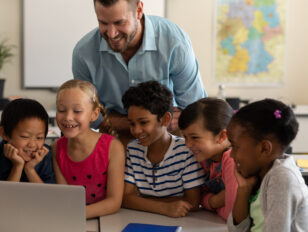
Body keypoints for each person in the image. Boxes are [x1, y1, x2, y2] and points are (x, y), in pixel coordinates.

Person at [72, 0, 207, 142]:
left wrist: (112, 120)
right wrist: (152, 121)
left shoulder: (174, 42)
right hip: (117, 140)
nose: (111, 34)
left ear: (139, 10)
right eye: (103, 23)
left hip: (168, 139)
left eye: (119, 23)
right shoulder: (83, 54)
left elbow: (195, 108)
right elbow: (88, 116)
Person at [122, 81, 205, 218]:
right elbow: (125, 198)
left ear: (166, 119)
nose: (136, 130)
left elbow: (193, 202)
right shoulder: (133, 149)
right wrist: (164, 208)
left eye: (143, 122)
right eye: (132, 123)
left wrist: (140, 201)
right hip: (140, 219)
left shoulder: (186, 151)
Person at [227, 99, 308, 232]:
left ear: (264, 148)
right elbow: (235, 230)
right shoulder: (260, 173)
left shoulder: (282, 177)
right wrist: (243, 189)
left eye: (235, 146)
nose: (231, 155)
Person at [52, 79, 125, 219]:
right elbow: (65, 197)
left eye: (77, 111)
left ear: (94, 114)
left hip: (105, 222)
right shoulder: (56, 149)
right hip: (71, 221)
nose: (68, 117)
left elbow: (114, 202)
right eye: (61, 110)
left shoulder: (113, 148)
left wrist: (76, 215)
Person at [178, 98, 237, 220]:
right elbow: (200, 195)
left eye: (195, 137)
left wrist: (210, 203)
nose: (187, 144)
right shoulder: (205, 158)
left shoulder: (232, 160)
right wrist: (214, 201)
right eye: (185, 137)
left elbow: (232, 215)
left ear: (222, 136)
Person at [0, 98, 55, 183]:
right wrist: (17, 166)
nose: (32, 145)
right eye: (25, 136)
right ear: (4, 133)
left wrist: (30, 169)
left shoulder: (46, 155)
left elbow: (48, 195)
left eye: (39, 137)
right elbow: (5, 195)